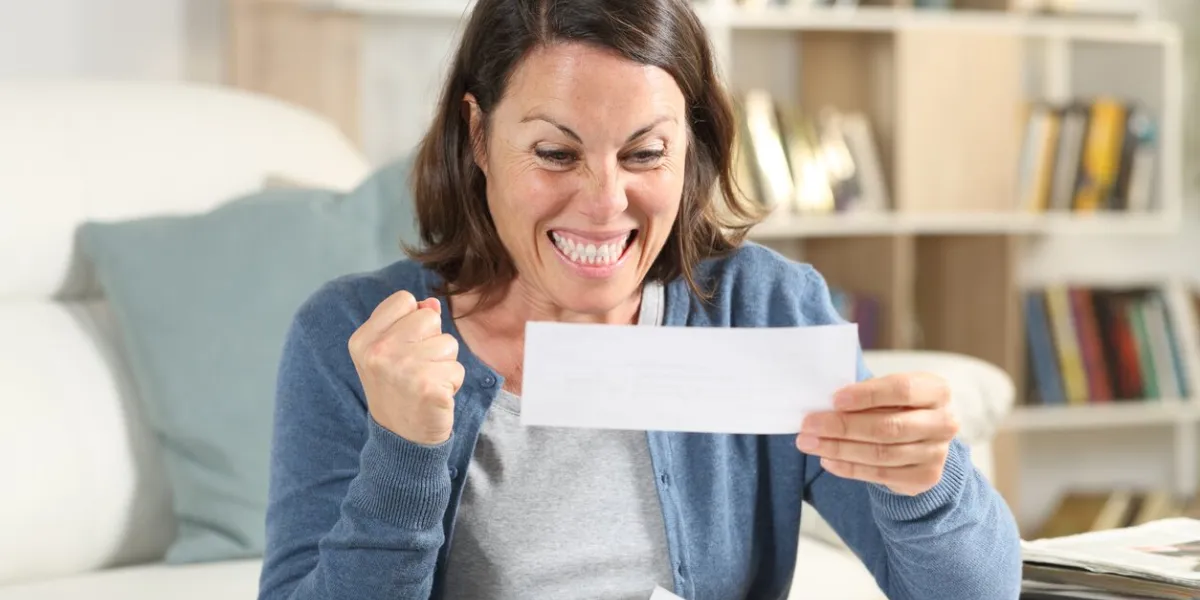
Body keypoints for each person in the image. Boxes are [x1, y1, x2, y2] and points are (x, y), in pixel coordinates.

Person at [256, 0, 1023, 598]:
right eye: (555, 153)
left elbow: (979, 593)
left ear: (689, 145)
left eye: (645, 153)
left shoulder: (763, 309)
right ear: (479, 136)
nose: (604, 202)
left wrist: (925, 482)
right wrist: (404, 456)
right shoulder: (352, 339)